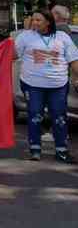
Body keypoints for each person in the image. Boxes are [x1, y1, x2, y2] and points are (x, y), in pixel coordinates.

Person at [14, 9, 78, 163]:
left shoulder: (62, 37)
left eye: (38, 20)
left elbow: (73, 59)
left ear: (48, 22)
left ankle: (61, 151)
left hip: (58, 85)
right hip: (32, 84)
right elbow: (13, 55)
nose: (35, 23)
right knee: (35, 115)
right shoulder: (25, 36)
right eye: (33, 20)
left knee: (59, 116)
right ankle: (35, 149)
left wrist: (77, 76)